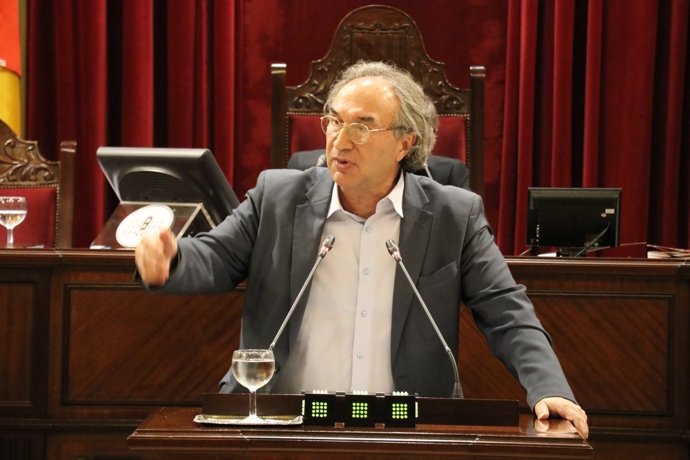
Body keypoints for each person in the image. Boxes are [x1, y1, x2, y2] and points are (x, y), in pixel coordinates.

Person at [135, 60, 588, 438]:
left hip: (408, 432)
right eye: (333, 121)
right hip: (282, 427)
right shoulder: (277, 196)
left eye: (362, 126)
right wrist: (170, 259)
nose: (340, 139)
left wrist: (549, 388)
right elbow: (214, 256)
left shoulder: (453, 214)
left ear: (405, 143)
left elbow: (505, 309)